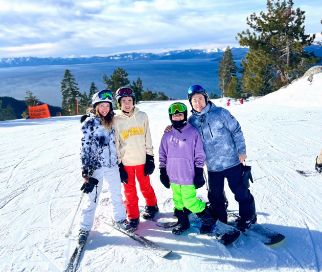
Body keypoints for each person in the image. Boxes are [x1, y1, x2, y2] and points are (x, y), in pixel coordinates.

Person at [187, 84, 257, 232]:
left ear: (206, 98)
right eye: (194, 100)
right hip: (213, 167)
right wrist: (170, 129)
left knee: (241, 192)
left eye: (200, 98)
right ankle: (221, 219)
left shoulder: (220, 113)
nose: (198, 103)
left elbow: (236, 130)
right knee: (215, 196)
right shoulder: (191, 122)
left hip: (232, 162)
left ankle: (248, 217)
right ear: (191, 103)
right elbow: (185, 137)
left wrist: (241, 151)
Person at [78, 89, 129, 244]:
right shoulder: (90, 123)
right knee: (92, 198)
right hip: (96, 167)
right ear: (95, 106)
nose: (105, 109)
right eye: (101, 106)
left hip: (112, 165)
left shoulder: (113, 121)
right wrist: (86, 172)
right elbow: (85, 148)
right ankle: (85, 227)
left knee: (116, 195)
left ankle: (120, 219)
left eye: (107, 106)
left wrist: (120, 164)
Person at [159, 102, 217, 235]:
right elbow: (162, 154)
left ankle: (209, 218)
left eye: (180, 115)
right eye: (174, 116)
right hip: (173, 175)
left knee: (189, 201)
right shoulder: (167, 135)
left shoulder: (192, 132)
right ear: (170, 117)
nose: (177, 118)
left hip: (187, 175)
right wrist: (162, 171)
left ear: (184, 116)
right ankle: (183, 222)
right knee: (178, 201)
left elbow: (199, 154)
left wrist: (198, 172)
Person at [114, 87, 158, 231]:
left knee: (146, 186)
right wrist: (119, 165)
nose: (127, 103)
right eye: (124, 101)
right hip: (126, 163)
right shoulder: (116, 120)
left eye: (130, 100)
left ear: (134, 101)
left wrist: (150, 157)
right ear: (119, 103)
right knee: (129, 191)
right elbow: (116, 143)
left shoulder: (142, 116)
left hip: (142, 160)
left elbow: (148, 137)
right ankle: (133, 216)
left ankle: (152, 205)